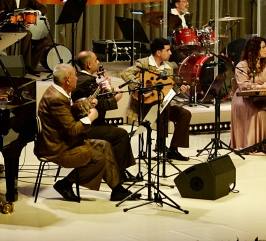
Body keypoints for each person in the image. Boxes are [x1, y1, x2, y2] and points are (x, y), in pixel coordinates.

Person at [35, 63, 135, 202]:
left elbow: (66, 118)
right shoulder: (56, 99)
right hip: (57, 147)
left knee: (104, 146)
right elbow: (72, 130)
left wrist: (85, 105)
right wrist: (91, 117)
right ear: (67, 80)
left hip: (63, 139)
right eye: (75, 75)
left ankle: (117, 190)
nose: (77, 78)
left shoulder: (58, 92)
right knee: (98, 158)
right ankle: (65, 184)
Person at [121, 37, 192, 161]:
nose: (170, 53)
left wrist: (179, 89)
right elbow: (125, 73)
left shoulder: (168, 67)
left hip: (163, 106)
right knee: (164, 107)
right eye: (167, 50)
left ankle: (173, 149)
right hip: (145, 106)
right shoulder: (144, 63)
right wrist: (141, 87)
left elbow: (168, 89)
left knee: (185, 114)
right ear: (158, 52)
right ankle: (160, 145)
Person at [73, 51, 136, 177]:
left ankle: (116, 169)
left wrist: (107, 89)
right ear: (89, 64)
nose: (98, 62)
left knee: (115, 130)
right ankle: (119, 173)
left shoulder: (82, 78)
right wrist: (116, 98)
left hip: (90, 123)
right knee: (121, 134)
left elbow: (96, 100)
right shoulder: (86, 81)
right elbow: (97, 105)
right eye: (96, 60)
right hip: (87, 126)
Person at [0, 0, 49, 72]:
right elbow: (1, 15)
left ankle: (30, 67)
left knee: (44, 41)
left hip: (22, 28)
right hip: (8, 27)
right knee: (27, 34)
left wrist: (36, 13)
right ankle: (24, 66)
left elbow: (42, 8)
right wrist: (19, 22)